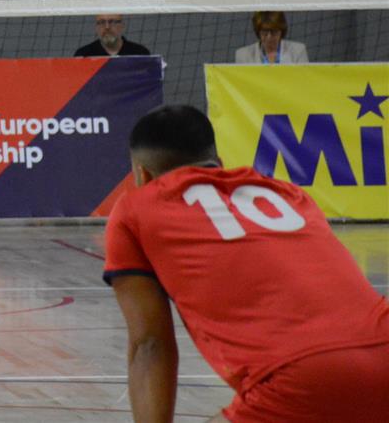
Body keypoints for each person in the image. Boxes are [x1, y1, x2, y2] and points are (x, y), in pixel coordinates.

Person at [104, 104, 389, 423]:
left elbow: (150, 345)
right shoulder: (289, 193)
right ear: (218, 161)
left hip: (301, 379)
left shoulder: (134, 210)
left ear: (142, 174)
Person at [234, 11, 308, 64]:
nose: (269, 37)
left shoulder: (298, 51)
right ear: (258, 32)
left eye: (274, 32)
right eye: (265, 32)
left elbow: (304, 78)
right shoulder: (243, 55)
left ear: (281, 31)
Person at [73, 15, 150, 57]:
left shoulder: (140, 53)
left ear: (122, 26)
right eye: (102, 22)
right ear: (96, 27)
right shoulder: (84, 54)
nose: (107, 27)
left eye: (112, 21)